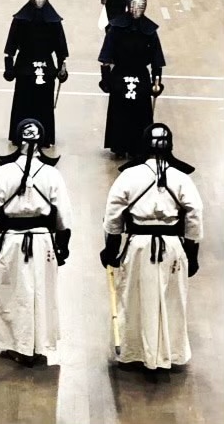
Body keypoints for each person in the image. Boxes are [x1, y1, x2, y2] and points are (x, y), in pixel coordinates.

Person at [100, 123, 203, 371]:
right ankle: (170, 352)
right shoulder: (181, 178)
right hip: (173, 248)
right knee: (171, 299)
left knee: (134, 298)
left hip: (138, 246)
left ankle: (134, 351)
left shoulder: (129, 176)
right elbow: (195, 215)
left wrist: (111, 248)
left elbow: (113, 215)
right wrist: (192, 253)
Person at [0, 119, 72, 366]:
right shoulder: (52, 175)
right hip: (43, 243)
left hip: (12, 242)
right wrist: (62, 246)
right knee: (41, 292)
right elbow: (64, 218)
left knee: (13, 294)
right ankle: (37, 345)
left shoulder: (3, 173)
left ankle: (16, 345)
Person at [99, 0, 165, 157]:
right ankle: (119, 146)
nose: (137, 9)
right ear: (128, 5)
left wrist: (156, 80)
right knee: (119, 113)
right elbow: (106, 55)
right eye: (134, 5)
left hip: (141, 75)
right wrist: (106, 79)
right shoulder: (116, 27)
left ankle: (139, 146)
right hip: (120, 75)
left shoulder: (149, 30)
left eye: (140, 6)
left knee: (140, 113)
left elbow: (156, 58)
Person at [3, 0, 69, 148]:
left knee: (44, 104)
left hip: (46, 67)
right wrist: (9, 67)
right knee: (22, 102)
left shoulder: (54, 21)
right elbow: (11, 46)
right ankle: (19, 134)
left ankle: (45, 136)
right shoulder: (20, 19)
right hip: (24, 66)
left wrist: (62, 67)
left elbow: (60, 48)